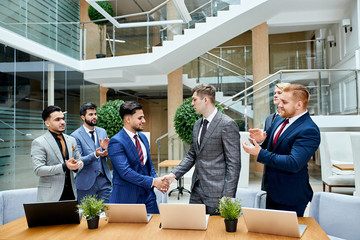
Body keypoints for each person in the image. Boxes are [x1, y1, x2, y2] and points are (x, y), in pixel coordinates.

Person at [242, 84, 320, 216]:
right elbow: (273, 145)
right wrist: (261, 140)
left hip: (290, 196)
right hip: (270, 190)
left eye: (284, 102)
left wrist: (260, 153)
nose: (279, 105)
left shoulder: (309, 130)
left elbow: (293, 163)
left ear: (299, 105)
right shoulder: (279, 119)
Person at [164, 84, 241, 215]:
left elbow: (234, 164)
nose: (192, 103)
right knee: (195, 231)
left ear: (205, 100)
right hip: (196, 192)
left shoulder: (227, 124)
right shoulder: (197, 124)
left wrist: (228, 196)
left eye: (194, 100)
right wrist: (173, 175)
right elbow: (191, 155)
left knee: (215, 233)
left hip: (217, 193)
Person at [107, 101, 168, 214]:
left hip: (148, 197)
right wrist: (153, 181)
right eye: (140, 118)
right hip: (127, 199)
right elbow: (125, 172)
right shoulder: (116, 142)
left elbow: (149, 166)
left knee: (153, 229)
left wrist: (157, 181)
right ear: (128, 119)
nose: (144, 121)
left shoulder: (143, 138)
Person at [31, 105, 83, 202]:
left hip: (71, 194)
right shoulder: (39, 142)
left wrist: (76, 166)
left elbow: (80, 160)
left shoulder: (71, 140)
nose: (62, 122)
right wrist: (64, 166)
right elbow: (38, 170)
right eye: (57, 119)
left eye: (63, 119)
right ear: (47, 123)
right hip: (51, 196)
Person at [71, 103, 112, 203]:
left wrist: (108, 151)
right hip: (86, 183)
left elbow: (108, 154)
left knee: (107, 214)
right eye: (90, 114)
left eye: (95, 114)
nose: (94, 117)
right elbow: (78, 160)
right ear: (83, 117)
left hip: (104, 181)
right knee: (86, 216)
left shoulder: (102, 131)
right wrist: (95, 154)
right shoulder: (75, 136)